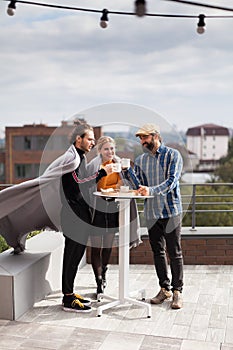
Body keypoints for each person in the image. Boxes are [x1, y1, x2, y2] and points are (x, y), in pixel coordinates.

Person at [0, 121, 114, 313]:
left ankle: (69, 293)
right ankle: (68, 299)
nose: (92, 143)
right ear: (79, 139)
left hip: (79, 214)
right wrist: (102, 173)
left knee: (76, 256)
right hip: (74, 216)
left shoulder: (78, 157)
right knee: (72, 256)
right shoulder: (73, 159)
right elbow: (77, 185)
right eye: (90, 139)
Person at [134, 123, 184, 309]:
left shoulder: (173, 155)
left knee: (175, 252)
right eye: (140, 138)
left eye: (145, 137)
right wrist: (126, 173)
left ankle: (177, 292)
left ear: (155, 136)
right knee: (158, 252)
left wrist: (151, 190)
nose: (142, 141)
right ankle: (165, 289)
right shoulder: (141, 160)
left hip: (171, 211)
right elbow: (138, 183)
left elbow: (171, 182)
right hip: (152, 212)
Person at [87, 136, 122, 299]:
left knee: (108, 246)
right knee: (96, 247)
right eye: (106, 149)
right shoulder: (93, 165)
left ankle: (105, 271)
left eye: (112, 148)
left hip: (112, 207)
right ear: (100, 150)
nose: (110, 152)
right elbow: (86, 187)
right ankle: (98, 280)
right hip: (96, 209)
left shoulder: (118, 164)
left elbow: (124, 184)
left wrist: (118, 187)